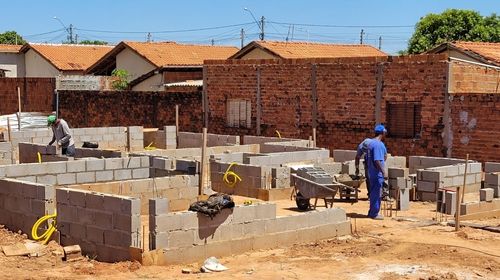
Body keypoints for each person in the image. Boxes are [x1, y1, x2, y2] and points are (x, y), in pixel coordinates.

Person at [366, 124, 388, 220]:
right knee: (376, 193)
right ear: (382, 133)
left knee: (374, 192)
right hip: (377, 173)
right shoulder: (378, 144)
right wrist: (384, 172)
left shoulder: (371, 143)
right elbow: (377, 160)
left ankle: (372, 211)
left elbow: (383, 156)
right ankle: (374, 213)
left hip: (371, 172)